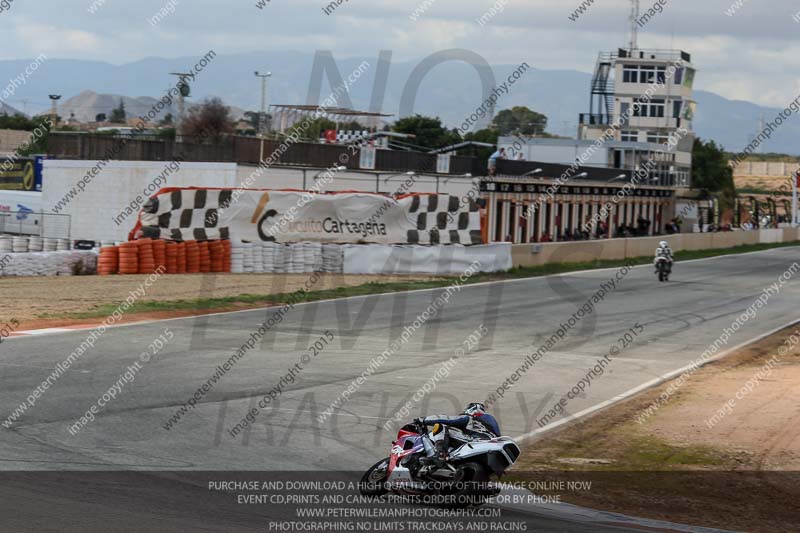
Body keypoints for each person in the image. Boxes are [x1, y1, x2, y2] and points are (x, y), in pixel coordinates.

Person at [415, 403, 501, 466]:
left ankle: (440, 455)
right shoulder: (489, 422)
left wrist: (423, 420)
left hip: (476, 441)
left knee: (441, 427)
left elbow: (447, 420)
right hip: (489, 447)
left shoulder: (470, 417)